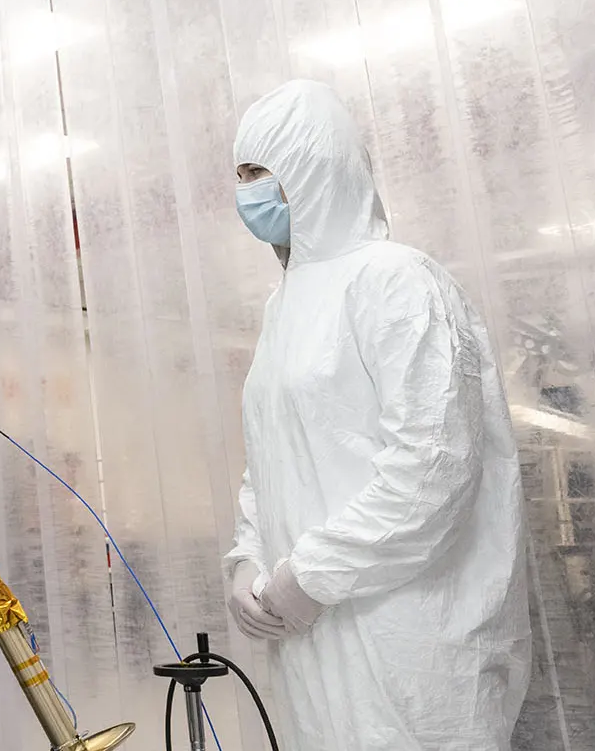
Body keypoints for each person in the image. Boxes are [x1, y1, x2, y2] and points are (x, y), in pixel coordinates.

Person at [223, 80, 530, 750]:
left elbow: (433, 468)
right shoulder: (285, 305)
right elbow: (273, 457)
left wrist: (311, 575)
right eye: (239, 174)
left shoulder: (396, 281)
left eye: (259, 172)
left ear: (314, 168)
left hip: (408, 638)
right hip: (312, 640)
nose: (246, 191)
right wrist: (250, 559)